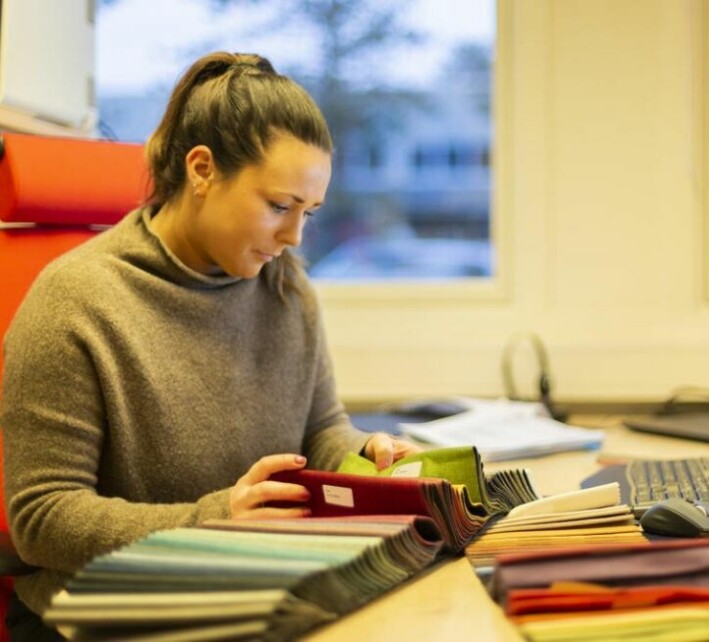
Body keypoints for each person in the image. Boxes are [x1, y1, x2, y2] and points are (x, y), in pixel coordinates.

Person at [0, 51, 419, 640]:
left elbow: (320, 430)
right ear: (201, 170)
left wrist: (365, 454)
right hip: (105, 614)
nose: (295, 236)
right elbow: (41, 519)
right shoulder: (76, 300)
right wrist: (215, 521)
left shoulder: (286, 286)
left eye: (310, 212)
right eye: (278, 206)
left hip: (253, 589)